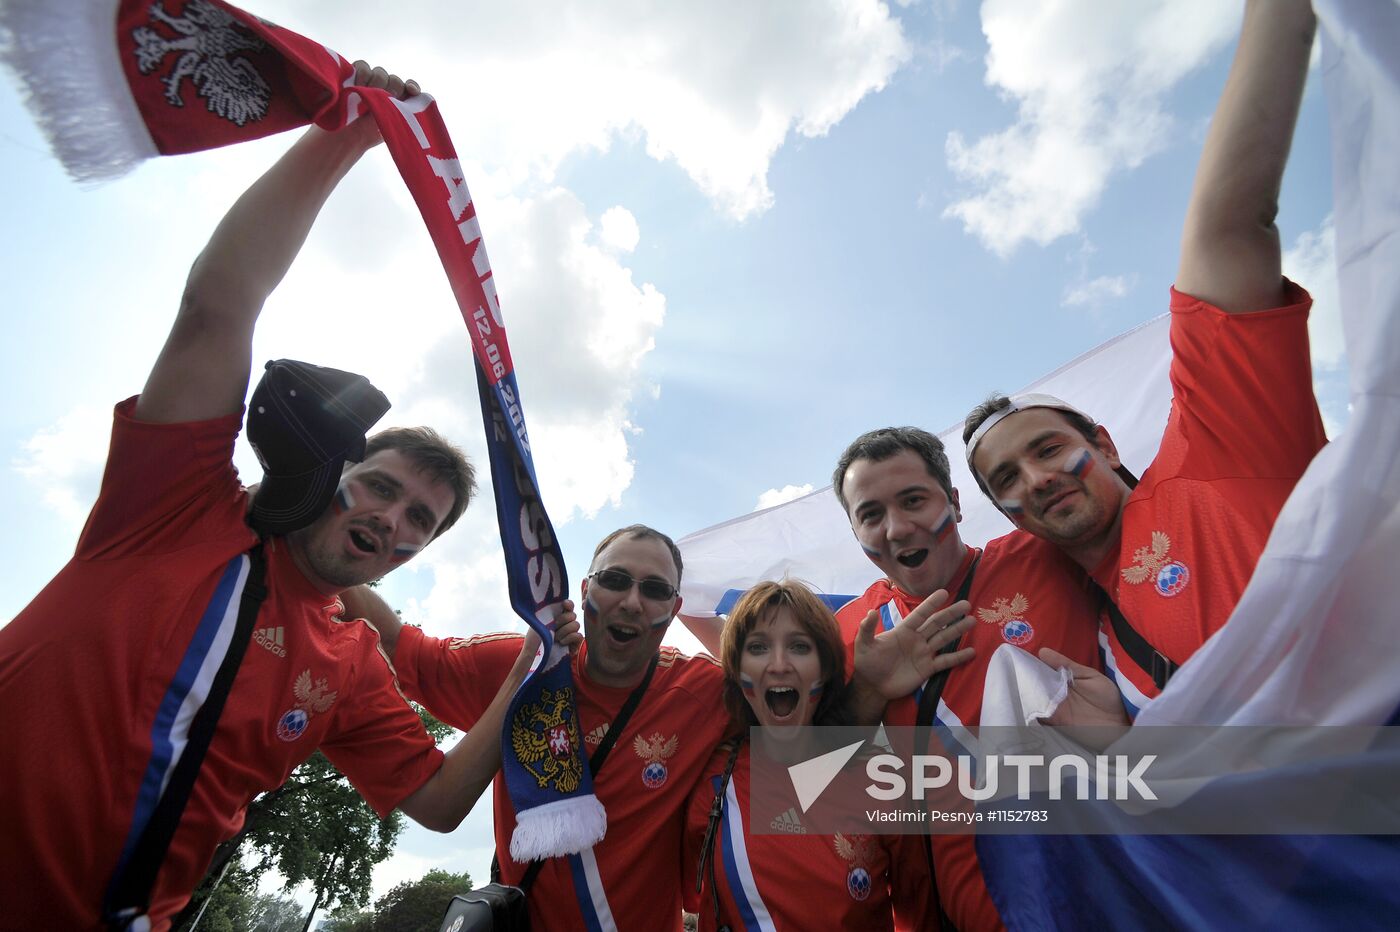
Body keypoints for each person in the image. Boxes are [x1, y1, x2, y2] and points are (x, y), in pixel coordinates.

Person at [0, 64, 572, 930]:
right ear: (337, 473)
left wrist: (535, 662)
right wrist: (346, 135)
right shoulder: (181, 501)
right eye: (379, 488)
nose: (390, 519)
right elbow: (216, 307)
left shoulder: (346, 663)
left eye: (418, 519)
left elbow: (440, 801)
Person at [962, 0, 1326, 719]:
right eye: (1007, 477)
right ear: (1009, 516)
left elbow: (1231, 229)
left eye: (1047, 448)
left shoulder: (1213, 452)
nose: (1035, 478)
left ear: (1102, 442)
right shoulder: (1105, 652)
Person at [351, 521, 962, 931]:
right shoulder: (519, 665)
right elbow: (401, 647)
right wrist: (307, 556)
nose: (631, 601)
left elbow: (806, 734)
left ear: (673, 609)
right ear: (586, 591)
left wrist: (874, 687)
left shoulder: (706, 691)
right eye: (615, 581)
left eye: (653, 589)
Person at [830, 425, 1103, 931]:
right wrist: (866, 692)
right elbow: (807, 787)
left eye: (913, 500)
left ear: (955, 503)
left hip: (1108, 893)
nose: (896, 528)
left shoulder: (1044, 553)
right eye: (871, 515)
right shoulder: (848, 633)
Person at [683, 580, 933, 932]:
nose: (779, 664)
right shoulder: (707, 779)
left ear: (826, 668)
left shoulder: (882, 782)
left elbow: (919, 914)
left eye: (800, 646)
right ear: (736, 672)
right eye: (758, 648)